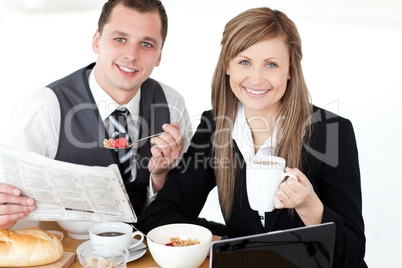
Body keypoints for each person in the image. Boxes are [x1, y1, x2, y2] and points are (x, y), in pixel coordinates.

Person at [139, 7, 367, 267]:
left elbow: (353, 254)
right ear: (228, 65)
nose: (256, 78)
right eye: (244, 62)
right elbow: (161, 215)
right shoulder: (215, 127)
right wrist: (221, 245)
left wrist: (309, 207)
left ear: (290, 70)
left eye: (271, 64)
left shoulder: (331, 131)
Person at [0, 0, 192, 229]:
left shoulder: (172, 104)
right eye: (120, 39)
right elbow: (7, 198)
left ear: (159, 56)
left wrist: (161, 176)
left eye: (146, 44)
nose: (131, 55)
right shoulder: (44, 108)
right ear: (97, 41)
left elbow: (182, 204)